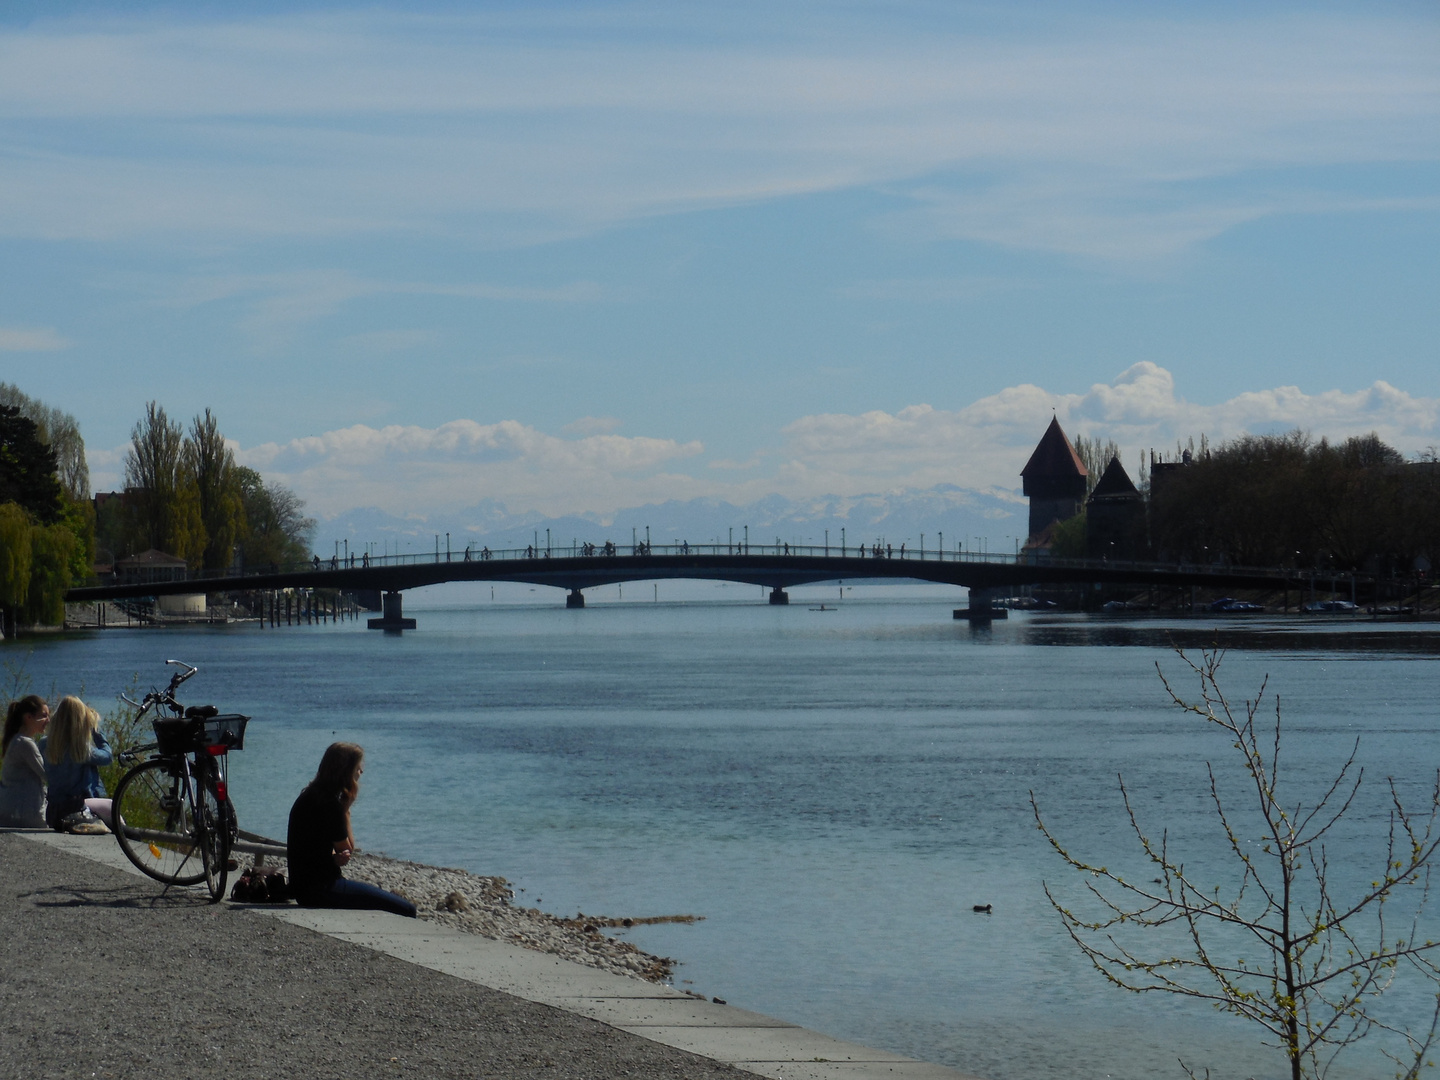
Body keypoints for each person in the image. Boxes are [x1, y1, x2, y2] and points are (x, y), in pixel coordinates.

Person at [287, 742, 416, 917]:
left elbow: (312, 850)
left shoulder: (310, 795)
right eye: (358, 766)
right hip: (320, 889)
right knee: (407, 909)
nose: (361, 771)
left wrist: (333, 858)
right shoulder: (330, 803)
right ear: (346, 770)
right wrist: (346, 810)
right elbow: (347, 848)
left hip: (304, 887)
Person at [40, 696, 112, 833]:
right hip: (76, 807)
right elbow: (107, 756)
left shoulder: (44, 744)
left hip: (54, 810)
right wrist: (96, 730)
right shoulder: (80, 748)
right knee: (113, 808)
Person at [0, 695, 49, 828]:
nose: (48, 720)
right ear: (28, 717)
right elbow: (46, 774)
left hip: (11, 810)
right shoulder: (25, 743)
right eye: (44, 716)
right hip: (25, 814)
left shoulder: (16, 740)